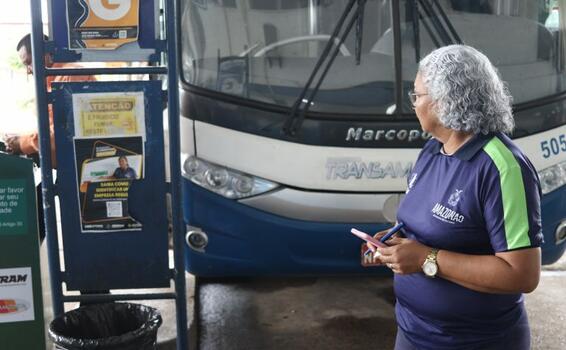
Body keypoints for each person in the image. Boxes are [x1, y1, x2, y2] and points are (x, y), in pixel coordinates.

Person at [367, 45, 542, 350]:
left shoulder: (502, 168)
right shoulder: (432, 150)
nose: (414, 105)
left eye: (417, 96)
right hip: (412, 332)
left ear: (444, 100)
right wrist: (395, 244)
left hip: (476, 341)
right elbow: (421, 223)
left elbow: (522, 274)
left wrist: (424, 258)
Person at [5, 34, 95, 242]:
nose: (28, 70)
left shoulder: (69, 76)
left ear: (45, 54)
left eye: (29, 63)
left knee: (84, 236)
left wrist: (24, 143)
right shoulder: (53, 81)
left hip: (84, 170)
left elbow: (63, 133)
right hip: (75, 169)